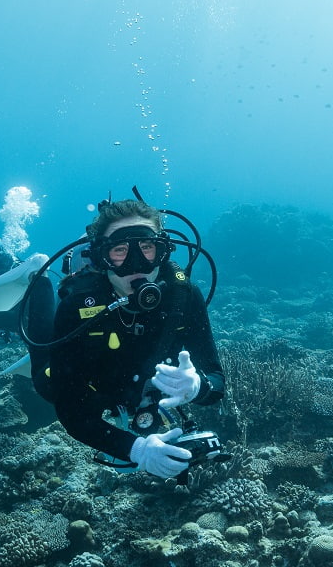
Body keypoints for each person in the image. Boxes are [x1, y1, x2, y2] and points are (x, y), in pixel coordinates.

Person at [40, 197, 225, 479]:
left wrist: (199, 386)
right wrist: (135, 449)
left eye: (147, 248)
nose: (136, 264)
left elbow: (216, 381)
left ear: (162, 250)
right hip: (97, 389)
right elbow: (72, 415)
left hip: (141, 387)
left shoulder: (184, 297)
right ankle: (37, 284)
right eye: (120, 250)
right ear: (102, 257)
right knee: (44, 382)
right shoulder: (77, 307)